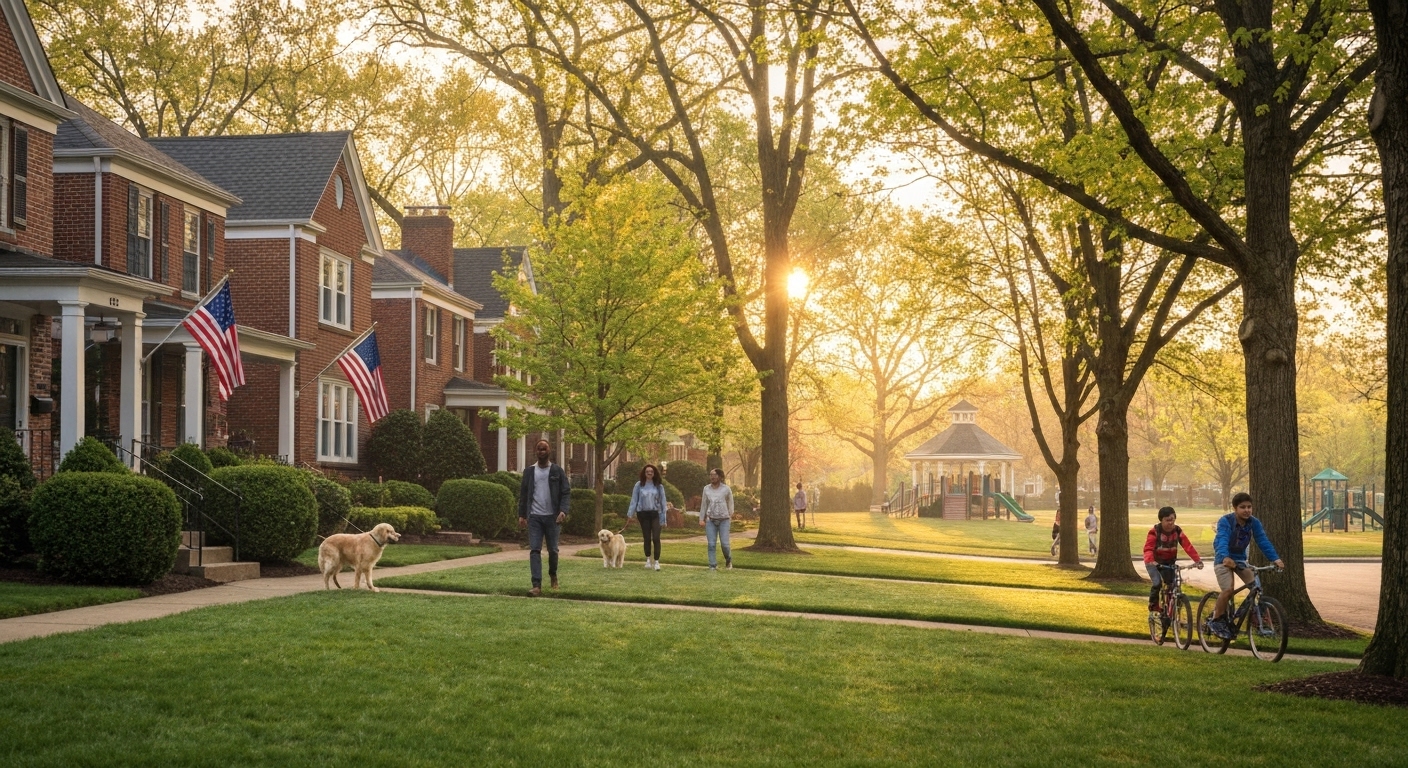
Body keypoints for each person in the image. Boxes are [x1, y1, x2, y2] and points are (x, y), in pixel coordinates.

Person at [1207, 492, 1284, 639]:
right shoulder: (1226, 521)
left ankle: (1259, 622)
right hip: (1223, 559)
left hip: (1240, 560)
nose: (1247, 510)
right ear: (1235, 508)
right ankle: (1216, 619)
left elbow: (1262, 541)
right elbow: (1222, 539)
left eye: (1249, 507)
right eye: (1242, 507)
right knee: (1228, 589)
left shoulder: (1254, 522)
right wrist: (1225, 557)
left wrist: (1275, 559)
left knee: (1256, 588)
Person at [517, 439, 571, 596]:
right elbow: (524, 494)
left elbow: (566, 492)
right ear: (535, 451)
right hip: (534, 517)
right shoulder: (529, 472)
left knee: (553, 550)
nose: (541, 451)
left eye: (544, 449)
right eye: (539, 449)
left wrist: (563, 511)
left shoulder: (557, 471)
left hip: (552, 518)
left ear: (549, 451)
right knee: (535, 549)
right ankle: (536, 585)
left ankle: (553, 574)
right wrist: (522, 515)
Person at [1142, 506, 1203, 612]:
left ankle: (1171, 610)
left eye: (1172, 519)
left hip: (1169, 562)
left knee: (1172, 584)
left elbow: (1187, 546)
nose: (1170, 523)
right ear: (1161, 520)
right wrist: (1151, 560)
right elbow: (1148, 548)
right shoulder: (1155, 531)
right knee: (1157, 583)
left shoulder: (1177, 531)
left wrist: (1197, 560)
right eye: (1167, 520)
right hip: (1153, 562)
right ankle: (1153, 605)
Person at [627, 464, 667, 571]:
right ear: (644, 473)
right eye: (647, 471)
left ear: (654, 473)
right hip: (643, 514)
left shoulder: (659, 486)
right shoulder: (639, 485)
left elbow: (663, 503)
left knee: (656, 538)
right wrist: (630, 514)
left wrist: (664, 519)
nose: (649, 473)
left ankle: (657, 562)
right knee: (647, 537)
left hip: (656, 514)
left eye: (651, 472)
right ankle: (648, 559)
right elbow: (634, 500)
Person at [699, 468, 734, 570]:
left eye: (714, 475)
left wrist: (730, 513)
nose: (712, 477)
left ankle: (728, 560)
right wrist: (702, 518)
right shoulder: (706, 489)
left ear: (720, 476)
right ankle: (712, 565)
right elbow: (704, 504)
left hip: (724, 520)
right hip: (711, 520)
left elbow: (730, 502)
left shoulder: (726, 489)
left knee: (725, 544)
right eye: (711, 475)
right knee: (711, 544)